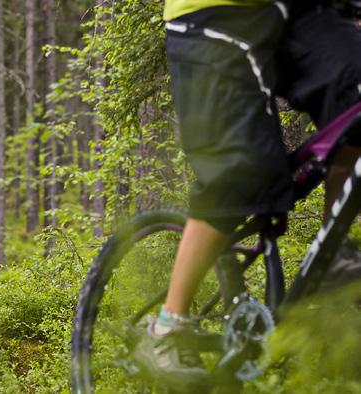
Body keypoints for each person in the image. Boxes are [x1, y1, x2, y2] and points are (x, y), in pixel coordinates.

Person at [132, 0, 361, 389]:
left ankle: (334, 257)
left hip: (295, 11)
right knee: (239, 170)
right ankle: (167, 325)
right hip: (212, 15)